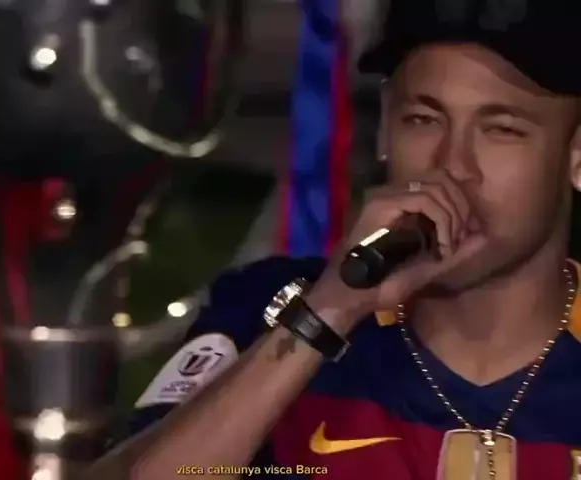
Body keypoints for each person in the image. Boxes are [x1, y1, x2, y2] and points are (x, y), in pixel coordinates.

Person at [90, 0, 581, 478]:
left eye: (501, 130)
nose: (453, 166)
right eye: (423, 120)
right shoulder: (265, 310)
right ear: (385, 126)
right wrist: (328, 312)